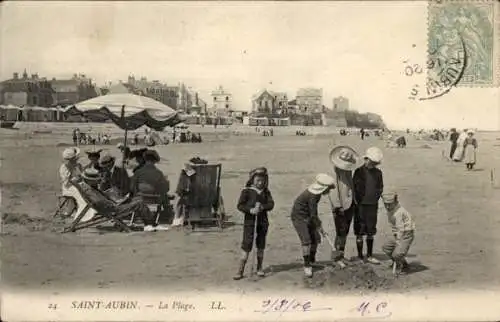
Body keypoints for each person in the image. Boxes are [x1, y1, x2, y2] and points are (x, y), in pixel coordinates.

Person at [78, 168, 167, 232]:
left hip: (111, 206)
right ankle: (150, 224)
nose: (98, 182)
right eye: (95, 180)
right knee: (139, 203)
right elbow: (98, 201)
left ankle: (150, 223)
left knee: (137, 199)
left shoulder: (88, 187)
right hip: (113, 209)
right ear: (89, 180)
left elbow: (99, 200)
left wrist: (113, 199)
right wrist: (113, 203)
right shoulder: (90, 190)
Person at [291, 173, 336, 278]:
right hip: (299, 217)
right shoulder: (312, 196)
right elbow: (313, 215)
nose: (329, 191)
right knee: (306, 240)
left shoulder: (317, 194)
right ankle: (307, 266)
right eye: (328, 189)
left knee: (315, 238)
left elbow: (312, 215)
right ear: (323, 188)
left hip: (308, 216)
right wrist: (319, 226)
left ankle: (311, 261)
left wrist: (317, 226)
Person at [234, 167, 275, 280]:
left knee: (261, 244)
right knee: (247, 244)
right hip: (249, 222)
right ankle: (240, 270)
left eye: (262, 180)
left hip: (262, 222)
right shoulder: (246, 191)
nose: (260, 183)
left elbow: (271, 204)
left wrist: (263, 207)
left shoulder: (266, 192)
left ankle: (259, 267)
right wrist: (250, 210)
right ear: (252, 180)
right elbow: (240, 205)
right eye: (257, 180)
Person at [329, 146, 360, 269]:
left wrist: (355, 202)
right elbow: (333, 192)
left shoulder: (348, 170)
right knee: (340, 232)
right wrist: (338, 207)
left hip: (350, 204)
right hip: (340, 207)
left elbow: (350, 187)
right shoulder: (335, 173)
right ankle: (336, 258)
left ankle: (341, 255)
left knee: (345, 232)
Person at [353, 147, 384, 264]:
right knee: (359, 231)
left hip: (372, 206)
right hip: (360, 206)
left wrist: (375, 197)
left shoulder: (378, 173)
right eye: (370, 161)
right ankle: (360, 256)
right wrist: (357, 201)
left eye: (374, 162)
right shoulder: (358, 172)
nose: (371, 163)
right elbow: (354, 188)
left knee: (371, 231)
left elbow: (380, 187)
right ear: (366, 159)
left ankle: (370, 255)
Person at [381, 192, 415, 275]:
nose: (387, 207)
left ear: (395, 202)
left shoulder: (398, 213)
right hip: (398, 233)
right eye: (386, 204)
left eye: (390, 204)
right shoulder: (390, 210)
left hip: (406, 233)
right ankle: (401, 263)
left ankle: (403, 266)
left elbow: (401, 229)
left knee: (398, 253)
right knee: (386, 248)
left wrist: (398, 241)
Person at [172, 157, 207, 227]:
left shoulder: (188, 170)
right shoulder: (206, 174)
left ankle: (177, 219)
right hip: (204, 197)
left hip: (190, 196)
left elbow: (190, 174)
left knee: (180, 197)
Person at [59, 147, 84, 216]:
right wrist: (74, 177)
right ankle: (76, 210)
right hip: (69, 187)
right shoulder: (64, 167)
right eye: (75, 158)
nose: (76, 159)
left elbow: (82, 175)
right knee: (79, 192)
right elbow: (66, 182)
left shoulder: (78, 165)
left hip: (79, 184)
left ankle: (84, 210)